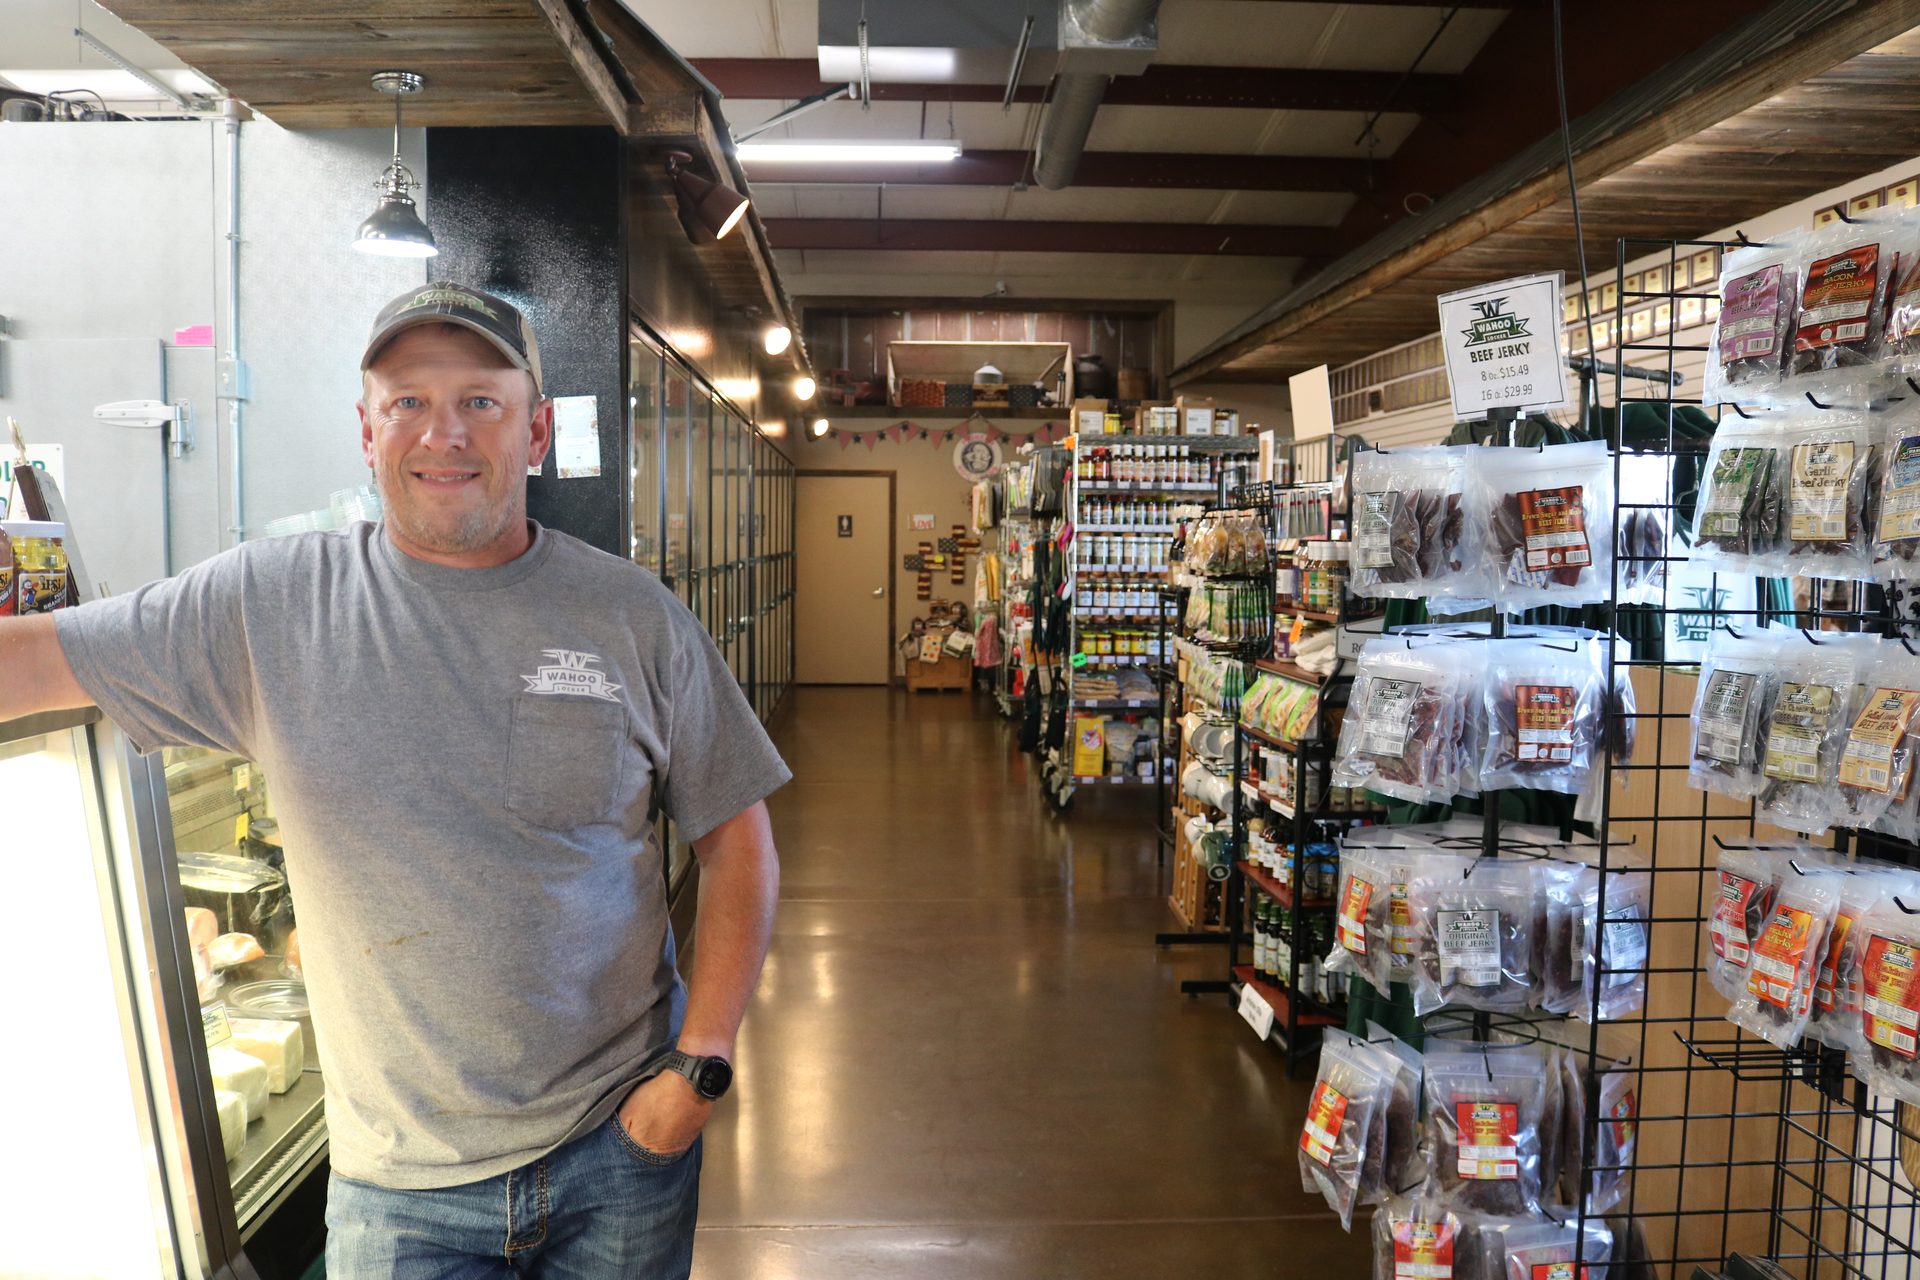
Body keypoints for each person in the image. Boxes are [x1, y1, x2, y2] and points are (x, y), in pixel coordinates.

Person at [0, 282, 789, 1278]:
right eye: (408, 400)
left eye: (481, 401)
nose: (443, 432)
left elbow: (740, 842)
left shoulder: (633, 616)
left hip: (620, 1153)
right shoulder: (266, 604)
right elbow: (31, 662)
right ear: (365, 430)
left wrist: (698, 1069)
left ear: (536, 430)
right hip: (398, 1190)